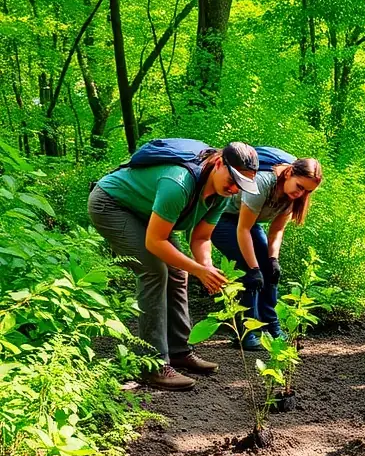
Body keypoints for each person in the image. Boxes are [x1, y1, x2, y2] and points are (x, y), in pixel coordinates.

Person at [88, 141, 260, 391]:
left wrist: (206, 268)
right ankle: (151, 364)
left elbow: (201, 238)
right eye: (234, 181)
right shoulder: (178, 183)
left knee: (179, 272)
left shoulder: (221, 195)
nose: (235, 189)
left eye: (241, 186)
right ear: (220, 163)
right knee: (154, 271)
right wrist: (199, 269)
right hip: (112, 204)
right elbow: (155, 241)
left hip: (147, 210)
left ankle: (179, 351)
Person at [211, 153, 323, 349]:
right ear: (289, 173)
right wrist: (254, 269)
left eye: (307, 191)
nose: (301, 194)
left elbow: (277, 230)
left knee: (270, 273)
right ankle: (248, 333)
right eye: (300, 186)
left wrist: (273, 260)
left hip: (247, 224)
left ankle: (272, 328)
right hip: (221, 220)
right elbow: (243, 229)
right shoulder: (263, 183)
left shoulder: (292, 197)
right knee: (249, 271)